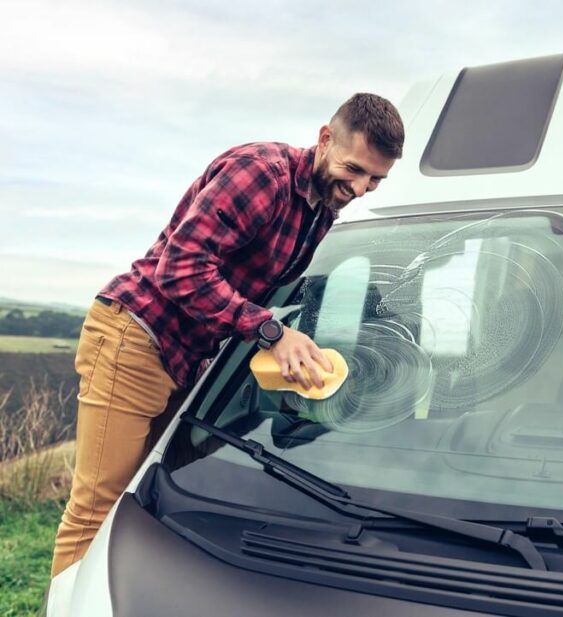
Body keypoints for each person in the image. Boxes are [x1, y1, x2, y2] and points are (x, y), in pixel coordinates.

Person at [50, 93, 404, 577]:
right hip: (135, 337)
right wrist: (270, 331)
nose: (362, 188)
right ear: (325, 140)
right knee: (96, 506)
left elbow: (267, 285)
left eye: (376, 179)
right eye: (355, 169)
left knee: (152, 492)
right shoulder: (260, 173)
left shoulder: (322, 207)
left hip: (188, 358)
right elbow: (181, 269)